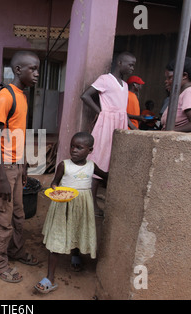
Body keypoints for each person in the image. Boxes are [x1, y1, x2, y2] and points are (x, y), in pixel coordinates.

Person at [0, 50, 40, 283]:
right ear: (18, 70)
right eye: (33, 69)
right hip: (3, 168)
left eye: (38, 69)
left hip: (16, 164)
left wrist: (24, 165)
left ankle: (14, 252)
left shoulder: (23, 96)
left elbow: (18, 133)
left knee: (18, 214)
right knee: (1, 218)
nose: (37, 74)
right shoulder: (6, 96)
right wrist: (3, 178)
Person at [35, 132, 107, 294]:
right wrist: (56, 191)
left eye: (79, 147)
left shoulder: (91, 166)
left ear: (90, 150)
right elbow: (55, 182)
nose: (74, 150)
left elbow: (105, 176)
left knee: (77, 229)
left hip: (82, 207)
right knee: (58, 237)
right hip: (64, 205)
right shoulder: (63, 165)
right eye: (72, 146)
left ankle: (76, 255)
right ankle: (50, 277)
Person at [80, 51, 137, 217]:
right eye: (130, 64)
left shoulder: (125, 86)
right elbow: (85, 96)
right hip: (106, 125)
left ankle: (100, 200)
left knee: (112, 161)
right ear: (119, 63)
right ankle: (91, 204)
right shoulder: (105, 79)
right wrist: (102, 112)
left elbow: (122, 112)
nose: (132, 68)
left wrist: (132, 127)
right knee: (99, 160)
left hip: (119, 125)